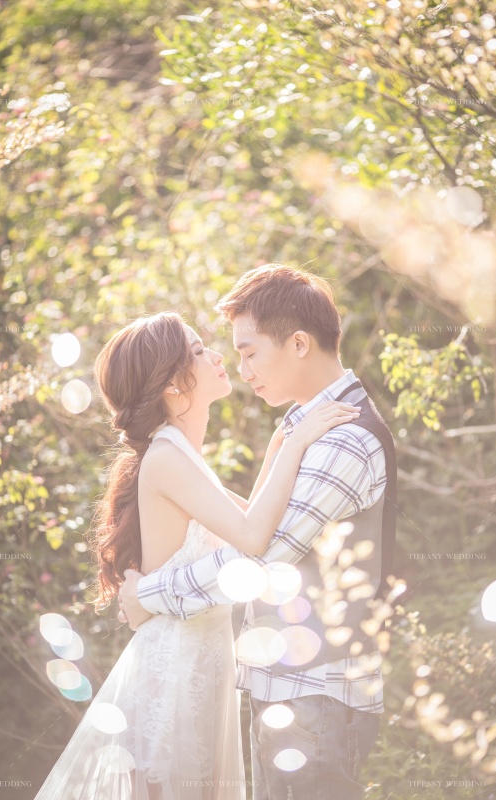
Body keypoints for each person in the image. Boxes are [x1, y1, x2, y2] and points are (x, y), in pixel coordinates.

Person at [33, 310, 359, 800]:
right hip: (174, 673)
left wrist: (281, 442)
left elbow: (255, 521)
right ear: (171, 383)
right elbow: (253, 536)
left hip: (201, 664)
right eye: (200, 351)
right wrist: (296, 444)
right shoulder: (167, 457)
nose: (219, 357)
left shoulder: (181, 455)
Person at [120, 265, 398, 800]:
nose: (241, 369)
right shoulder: (303, 429)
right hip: (290, 690)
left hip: (317, 693)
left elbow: (263, 556)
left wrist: (148, 595)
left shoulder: (343, 440)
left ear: (299, 343)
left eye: (249, 353)